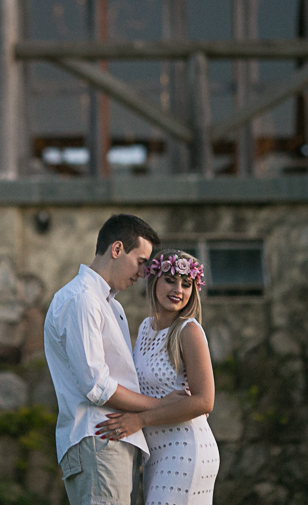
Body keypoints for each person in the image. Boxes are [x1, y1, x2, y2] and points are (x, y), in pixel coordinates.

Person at [44, 214, 185, 505]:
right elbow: (96, 385)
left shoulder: (110, 304)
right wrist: (160, 407)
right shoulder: (82, 299)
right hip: (98, 440)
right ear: (117, 249)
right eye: (142, 261)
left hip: (111, 441)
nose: (144, 272)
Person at [96, 249, 219, 505]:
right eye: (170, 280)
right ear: (153, 281)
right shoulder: (144, 327)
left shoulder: (189, 330)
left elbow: (205, 401)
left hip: (185, 449)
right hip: (155, 453)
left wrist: (140, 420)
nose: (178, 290)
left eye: (186, 284)